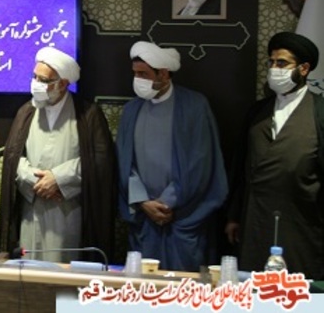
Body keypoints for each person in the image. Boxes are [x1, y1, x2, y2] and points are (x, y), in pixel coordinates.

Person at [0, 47, 117, 263]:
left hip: (68, 211)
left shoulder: (88, 114)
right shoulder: (26, 111)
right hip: (31, 209)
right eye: (34, 77)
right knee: (28, 269)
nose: (36, 84)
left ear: (62, 84)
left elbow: (99, 160)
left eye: (44, 80)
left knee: (64, 269)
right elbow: (13, 157)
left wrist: (58, 179)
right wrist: (35, 181)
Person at [117, 41, 227, 271]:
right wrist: (143, 202)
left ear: (164, 74)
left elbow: (200, 163)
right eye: (135, 73)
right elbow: (125, 163)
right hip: (144, 218)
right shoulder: (131, 110)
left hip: (184, 217)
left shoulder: (194, 106)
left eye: (144, 74)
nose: (138, 79)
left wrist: (167, 203)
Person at [225, 32, 324, 279]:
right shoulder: (257, 112)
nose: (274, 69)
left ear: (303, 69)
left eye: (282, 63)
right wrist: (234, 216)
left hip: (303, 223)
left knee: (298, 289)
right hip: (255, 221)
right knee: (254, 286)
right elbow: (241, 169)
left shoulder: (320, 112)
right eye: (271, 62)